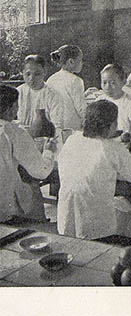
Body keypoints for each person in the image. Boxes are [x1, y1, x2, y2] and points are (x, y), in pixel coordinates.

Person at [57, 100, 131, 242]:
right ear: (111, 126)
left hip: (65, 221)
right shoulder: (111, 148)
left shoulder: (72, 139)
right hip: (97, 228)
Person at [0, 85, 55, 222]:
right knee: (32, 184)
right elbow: (41, 171)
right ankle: (38, 225)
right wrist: (48, 151)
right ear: (11, 108)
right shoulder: (14, 132)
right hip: (5, 209)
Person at [18, 55, 64, 131]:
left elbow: (57, 125)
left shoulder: (53, 95)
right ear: (23, 73)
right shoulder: (18, 92)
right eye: (28, 74)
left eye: (37, 74)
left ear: (44, 72)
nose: (31, 78)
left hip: (44, 135)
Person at [47, 44, 86, 130]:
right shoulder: (76, 80)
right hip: (72, 127)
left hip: (54, 124)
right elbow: (81, 108)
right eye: (80, 60)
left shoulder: (51, 79)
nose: (82, 63)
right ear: (71, 62)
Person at [100, 64, 131, 133]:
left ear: (123, 82)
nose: (107, 87)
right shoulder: (99, 100)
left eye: (113, 83)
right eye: (104, 83)